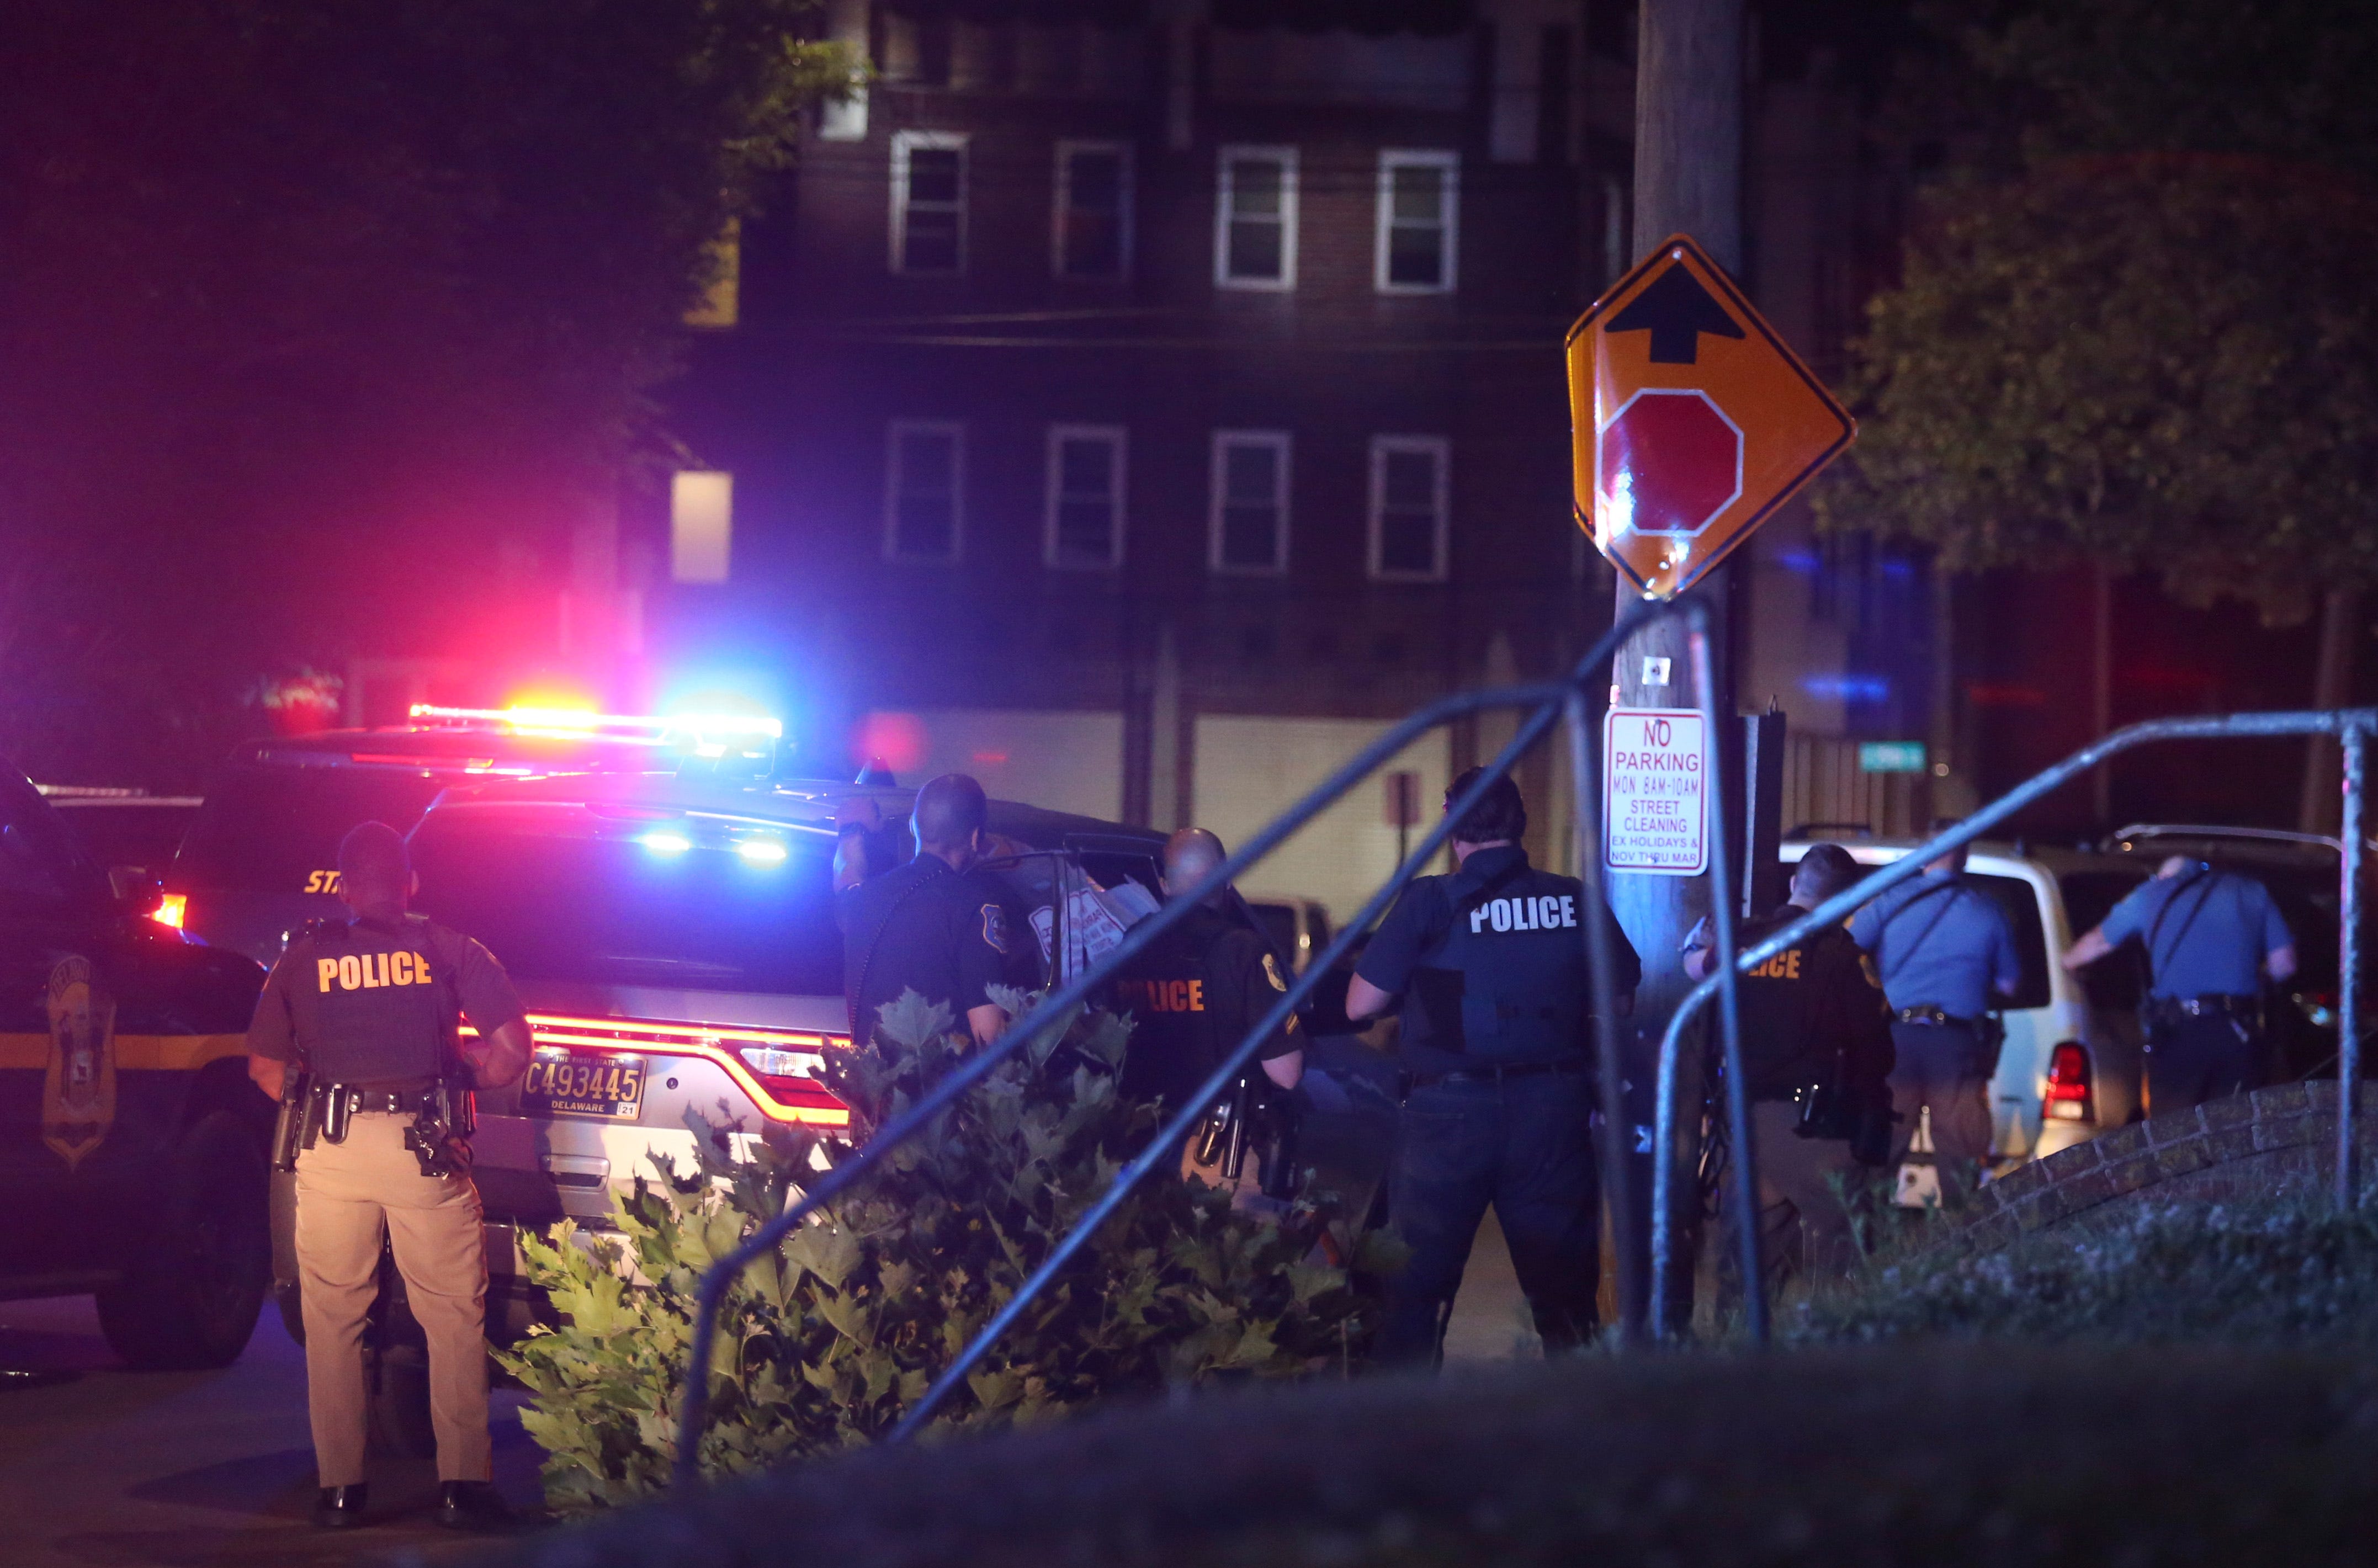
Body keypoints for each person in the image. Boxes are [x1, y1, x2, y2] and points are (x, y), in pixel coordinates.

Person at [244, 822, 530, 1533]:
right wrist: (464, 1082)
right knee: (452, 1314)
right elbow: (512, 1048)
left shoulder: (304, 955)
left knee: (333, 1319)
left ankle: (341, 1490)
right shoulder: (447, 948)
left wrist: (320, 1106)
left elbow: (264, 1067)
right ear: (410, 885)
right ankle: (462, 1485)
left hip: (332, 1153)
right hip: (423, 1147)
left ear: (342, 889)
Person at [1346, 768, 1641, 1365]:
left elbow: (1361, 1004)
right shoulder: (1573, 899)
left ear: (1456, 829)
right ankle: (1588, 1428)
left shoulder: (1431, 901)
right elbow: (1619, 999)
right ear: (1520, 823)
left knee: (1414, 1290)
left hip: (1447, 1117)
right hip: (1553, 1114)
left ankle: (1402, 1436)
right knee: (1565, 1296)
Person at [1686, 844, 1894, 1294]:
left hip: (1744, 1123)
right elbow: (1877, 1048)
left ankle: (1736, 1354)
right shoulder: (1844, 958)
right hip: (1816, 1128)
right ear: (1847, 902)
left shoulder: (1745, 941)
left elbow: (1698, 978)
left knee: (1746, 1265)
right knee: (1848, 1257)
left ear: (1794, 884)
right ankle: (1841, 1354)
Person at [1113, 829, 1303, 1190]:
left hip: (1138, 1150)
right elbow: (1287, 1073)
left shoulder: (1131, 945)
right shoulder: (1244, 951)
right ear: (1226, 878)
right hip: (1216, 1157)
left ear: (1164, 884)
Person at [2062, 854, 2295, 1111]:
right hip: (2238, 1034)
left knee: (2173, 1133)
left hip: (2177, 1035)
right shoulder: (2252, 891)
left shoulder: (2149, 894)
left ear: (2166, 875)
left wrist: (2067, 964)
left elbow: (2094, 945)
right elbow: (2285, 966)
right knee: (2236, 1132)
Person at [1848, 841, 2019, 1171]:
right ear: (1964, 859)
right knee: (1960, 1157)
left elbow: (1846, 948)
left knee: (1880, 1151)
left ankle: (1871, 1222)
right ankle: (1959, 1222)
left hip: (1895, 1041)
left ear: (1925, 856)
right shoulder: (1988, 910)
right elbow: (2009, 984)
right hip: (1955, 1045)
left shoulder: (1891, 901)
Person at [836, 773, 1020, 1048]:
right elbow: (989, 1036)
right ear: (975, 838)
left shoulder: (862, 899)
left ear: (913, 827)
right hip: (942, 1088)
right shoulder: (976, 907)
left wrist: (851, 832)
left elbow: (846, 877)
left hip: (871, 1085)